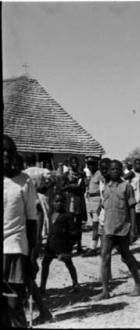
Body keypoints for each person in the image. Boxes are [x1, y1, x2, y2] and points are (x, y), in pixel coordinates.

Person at [3, 135, 52, 326]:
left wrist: (33, 255)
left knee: (14, 303)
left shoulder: (25, 182)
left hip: (15, 248)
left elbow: (32, 221)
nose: (5, 154)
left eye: (9, 151)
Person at [92, 160, 140, 301]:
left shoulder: (126, 187)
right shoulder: (106, 188)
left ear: (121, 171)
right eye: (112, 169)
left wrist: (133, 229)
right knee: (104, 257)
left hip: (122, 228)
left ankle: (138, 284)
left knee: (126, 257)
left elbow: (132, 208)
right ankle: (105, 290)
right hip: (108, 228)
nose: (114, 171)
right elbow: (104, 207)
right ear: (108, 171)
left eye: (117, 169)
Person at [40, 193, 80, 295]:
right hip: (51, 245)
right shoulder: (51, 214)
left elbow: (73, 232)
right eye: (57, 201)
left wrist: (69, 246)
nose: (59, 204)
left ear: (65, 203)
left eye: (61, 201)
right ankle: (42, 286)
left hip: (62, 246)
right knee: (45, 264)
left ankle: (75, 283)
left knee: (69, 264)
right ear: (53, 203)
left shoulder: (68, 216)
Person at [61, 156, 87, 254]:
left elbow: (84, 189)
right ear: (70, 164)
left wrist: (79, 187)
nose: (75, 164)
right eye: (73, 163)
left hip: (79, 200)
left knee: (79, 225)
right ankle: (69, 247)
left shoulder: (81, 175)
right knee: (70, 225)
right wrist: (70, 186)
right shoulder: (66, 175)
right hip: (70, 200)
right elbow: (62, 188)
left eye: (76, 162)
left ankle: (79, 246)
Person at [84, 156, 103, 255]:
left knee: (96, 225)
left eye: (92, 164)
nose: (90, 166)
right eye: (88, 164)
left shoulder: (100, 174)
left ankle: (93, 247)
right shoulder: (92, 175)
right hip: (91, 201)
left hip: (97, 201)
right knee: (96, 224)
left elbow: (102, 189)